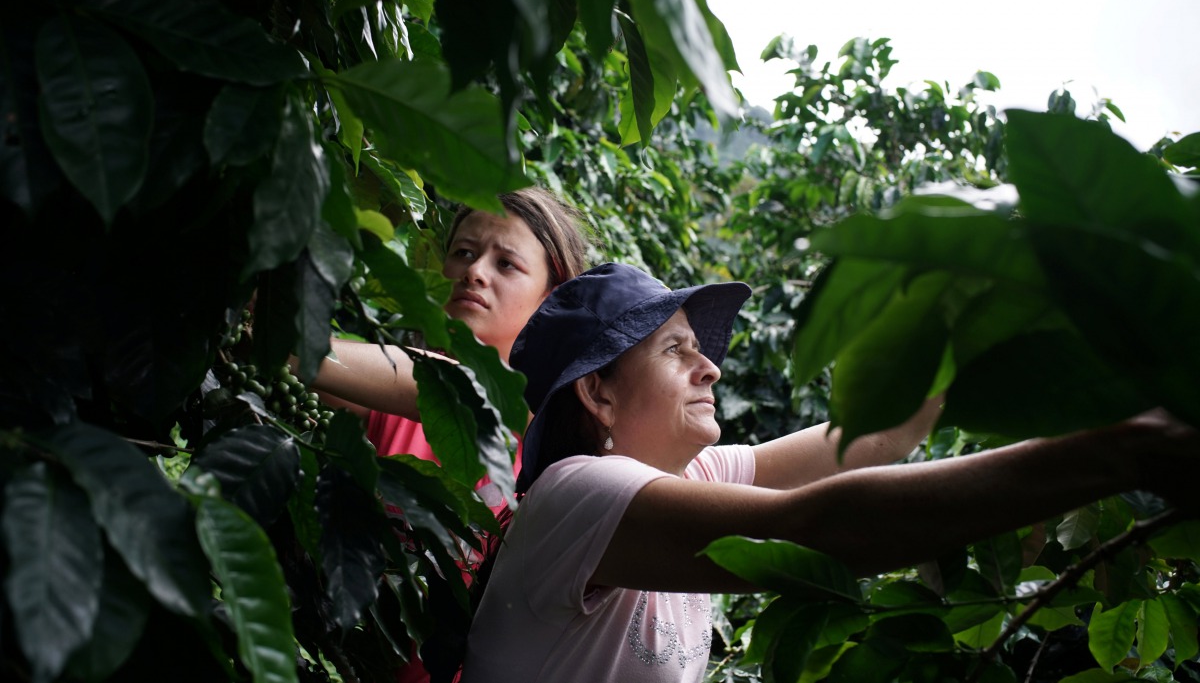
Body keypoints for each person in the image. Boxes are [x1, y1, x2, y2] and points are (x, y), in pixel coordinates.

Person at [461, 263, 1198, 683]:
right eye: (676, 350)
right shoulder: (576, 491)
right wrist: (1119, 451)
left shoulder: (694, 471)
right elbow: (816, 527)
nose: (710, 365)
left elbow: (866, 437)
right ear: (598, 392)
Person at [304, 187, 592, 683]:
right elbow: (278, 346)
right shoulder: (387, 388)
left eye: (507, 264)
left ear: (554, 297)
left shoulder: (561, 444)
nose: (474, 272)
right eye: (464, 252)